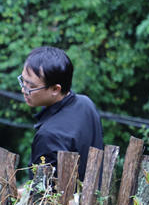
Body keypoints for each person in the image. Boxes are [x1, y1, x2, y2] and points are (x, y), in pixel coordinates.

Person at [20, 46, 103, 180]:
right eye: (23, 81)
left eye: (32, 86)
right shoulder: (86, 104)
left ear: (55, 89)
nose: (24, 89)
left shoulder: (48, 136)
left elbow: (43, 194)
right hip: (94, 195)